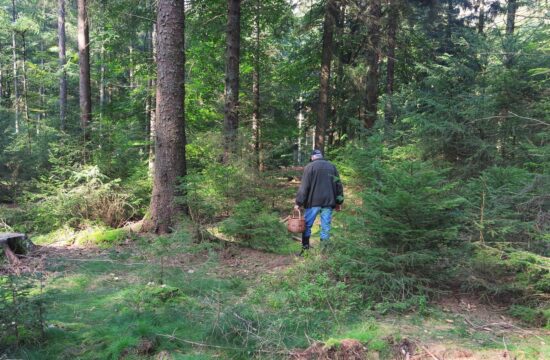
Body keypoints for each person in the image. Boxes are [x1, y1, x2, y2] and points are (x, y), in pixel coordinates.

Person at [294, 149, 344, 255]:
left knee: (307, 225)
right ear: (321, 156)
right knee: (326, 226)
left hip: (313, 202)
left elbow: (304, 187)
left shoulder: (309, 167)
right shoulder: (332, 166)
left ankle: (305, 251)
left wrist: (298, 203)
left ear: (312, 157)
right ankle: (324, 253)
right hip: (328, 202)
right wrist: (339, 202)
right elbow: (338, 185)